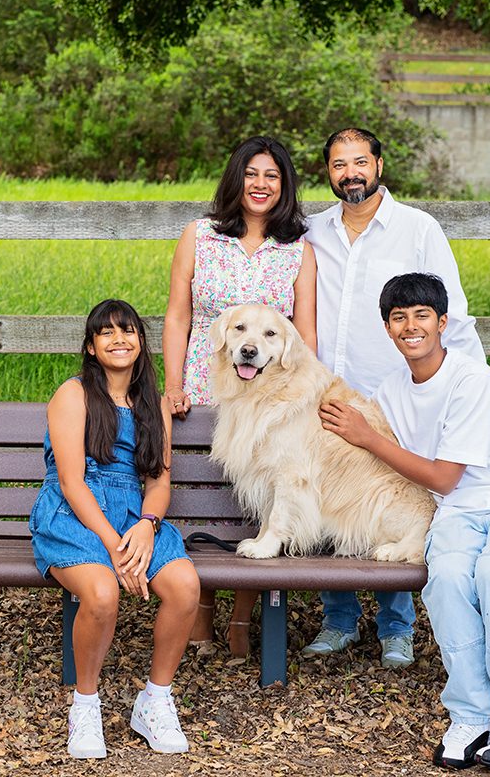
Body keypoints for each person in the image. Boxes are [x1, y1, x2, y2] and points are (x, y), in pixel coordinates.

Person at [319, 273, 490, 772]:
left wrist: (369, 438)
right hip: (457, 515)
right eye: (399, 317)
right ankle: (473, 717)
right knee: (448, 581)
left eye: (421, 315)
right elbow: (443, 492)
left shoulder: (470, 379)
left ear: (442, 322)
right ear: (387, 329)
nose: (410, 326)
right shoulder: (391, 389)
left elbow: (445, 477)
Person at [302, 127, 485, 669]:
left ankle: (396, 627)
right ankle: (337, 620)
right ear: (328, 173)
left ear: (379, 165)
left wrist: (465, 387)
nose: (350, 173)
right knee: (334, 492)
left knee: (394, 495)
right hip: (329, 393)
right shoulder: (313, 232)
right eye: (339, 164)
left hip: (397, 395)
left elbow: (451, 311)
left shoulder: (418, 229)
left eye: (360, 161)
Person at [162, 136, 317, 655]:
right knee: (203, 500)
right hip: (207, 386)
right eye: (252, 174)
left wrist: (303, 398)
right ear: (236, 178)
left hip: (268, 397)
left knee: (256, 498)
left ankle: (243, 620)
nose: (261, 185)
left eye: (272, 176)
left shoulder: (297, 250)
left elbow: (304, 334)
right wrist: (174, 384)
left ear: (284, 185)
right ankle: (200, 610)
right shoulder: (199, 236)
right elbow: (178, 315)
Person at [29, 299, 200, 759]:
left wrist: (146, 526)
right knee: (103, 593)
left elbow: (159, 483)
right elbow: (70, 481)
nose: (118, 339)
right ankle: (85, 706)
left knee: (185, 585)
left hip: (135, 515)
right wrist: (114, 544)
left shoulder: (154, 405)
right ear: (90, 346)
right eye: (106, 332)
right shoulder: (74, 394)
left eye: (128, 331)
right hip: (75, 512)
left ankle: (155, 700)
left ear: (141, 344)